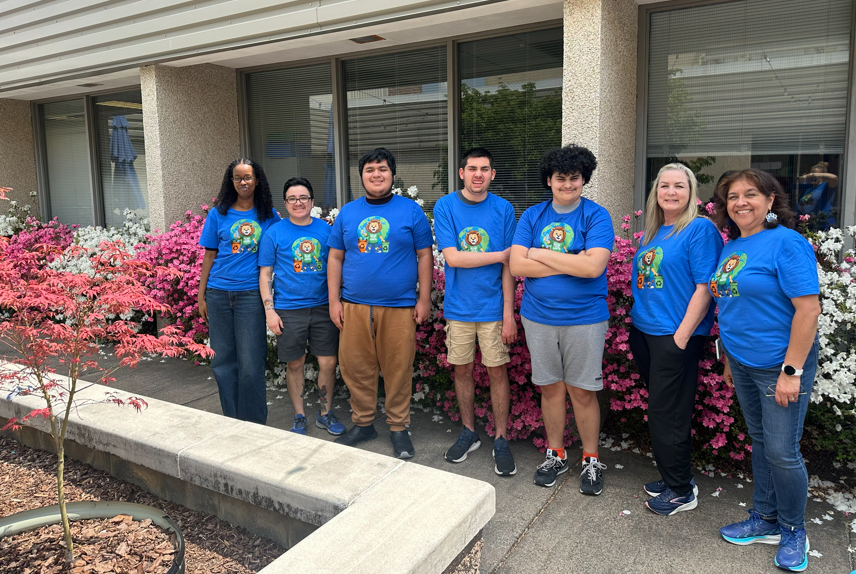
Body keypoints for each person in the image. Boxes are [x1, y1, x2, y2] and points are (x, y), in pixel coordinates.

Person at [711, 168, 820, 572]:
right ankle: (765, 518)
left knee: (782, 450)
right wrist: (728, 357)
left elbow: (808, 310)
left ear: (771, 201)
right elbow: (732, 304)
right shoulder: (733, 246)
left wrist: (791, 371)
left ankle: (794, 529)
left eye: (751, 194)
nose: (741, 202)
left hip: (781, 364)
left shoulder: (787, 244)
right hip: (742, 360)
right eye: (733, 196)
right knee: (760, 440)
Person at [509, 145, 614, 494]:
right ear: (549, 181)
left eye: (575, 178)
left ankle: (590, 459)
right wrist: (569, 257)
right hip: (538, 318)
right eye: (560, 178)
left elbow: (593, 267)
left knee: (583, 392)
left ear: (584, 179)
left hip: (585, 319)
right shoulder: (532, 216)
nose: (568, 184)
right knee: (550, 388)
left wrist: (538, 253)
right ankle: (555, 454)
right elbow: (516, 265)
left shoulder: (596, 216)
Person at [628, 163, 723, 515]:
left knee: (667, 414)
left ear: (691, 192)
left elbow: (705, 288)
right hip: (645, 332)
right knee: (665, 410)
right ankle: (674, 477)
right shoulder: (654, 230)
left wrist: (680, 338)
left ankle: (681, 490)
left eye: (678, 186)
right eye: (664, 185)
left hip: (674, 337)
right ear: (656, 192)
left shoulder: (699, 229)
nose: (670, 191)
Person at [327, 148, 434, 459]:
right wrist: (334, 300)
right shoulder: (348, 212)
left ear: (392, 174)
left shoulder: (411, 211)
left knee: (398, 368)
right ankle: (363, 424)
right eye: (370, 169)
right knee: (356, 367)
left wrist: (423, 298)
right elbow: (335, 257)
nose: (376, 174)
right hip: (354, 306)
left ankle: (398, 428)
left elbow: (425, 255)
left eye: (383, 169)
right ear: (361, 175)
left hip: (399, 307)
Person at [432, 147, 518, 476]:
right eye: (472, 168)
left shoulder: (504, 209)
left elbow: (511, 268)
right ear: (462, 173)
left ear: (492, 174)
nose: (478, 174)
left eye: (484, 169)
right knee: (462, 370)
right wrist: (499, 255)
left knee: (498, 372)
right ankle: (469, 432)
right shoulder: (446, 206)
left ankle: (500, 438)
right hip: (459, 308)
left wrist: (509, 314)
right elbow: (453, 258)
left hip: (494, 308)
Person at [258, 177, 345, 437]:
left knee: (328, 362)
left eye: (303, 198)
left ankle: (325, 412)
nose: (299, 203)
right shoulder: (273, 233)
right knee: (295, 363)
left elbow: (338, 264)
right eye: (293, 199)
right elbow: (264, 275)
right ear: (285, 203)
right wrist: (269, 310)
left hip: (322, 307)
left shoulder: (326, 230)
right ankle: (299, 415)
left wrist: (336, 301)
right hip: (288, 309)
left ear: (312, 201)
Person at [198, 158, 281, 424]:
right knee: (222, 363)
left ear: (257, 180)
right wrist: (201, 295)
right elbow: (209, 256)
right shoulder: (218, 213)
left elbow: (279, 253)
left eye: (248, 177)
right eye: (237, 177)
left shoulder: (269, 216)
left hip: (250, 297)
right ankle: (231, 421)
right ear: (230, 181)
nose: (243, 182)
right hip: (218, 293)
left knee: (250, 365)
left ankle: (255, 424)